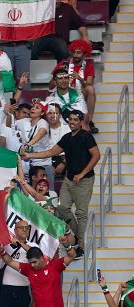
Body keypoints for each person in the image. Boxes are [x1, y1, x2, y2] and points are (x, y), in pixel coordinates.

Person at [23, 109, 98, 256]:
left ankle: (80, 244)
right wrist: (29, 155)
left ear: (81, 121)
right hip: (69, 179)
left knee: (81, 213)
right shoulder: (67, 137)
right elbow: (50, 152)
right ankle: (76, 236)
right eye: (70, 119)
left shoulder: (86, 136)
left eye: (75, 119)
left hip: (85, 180)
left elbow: (96, 156)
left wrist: (82, 174)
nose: (72, 122)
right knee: (62, 208)